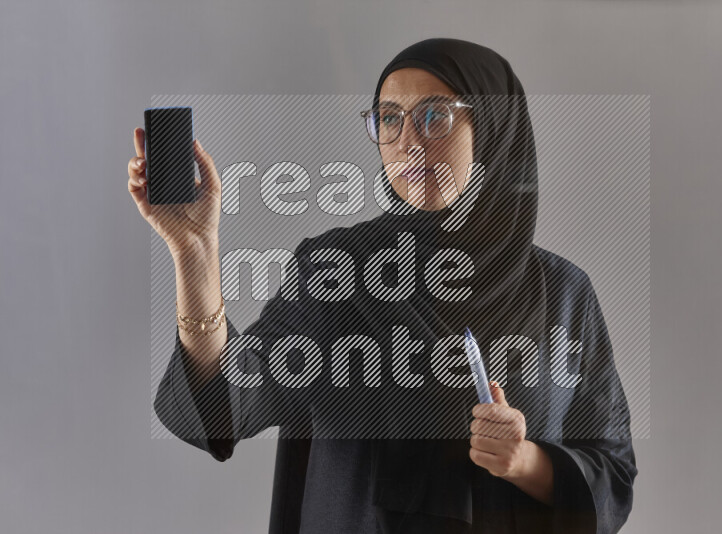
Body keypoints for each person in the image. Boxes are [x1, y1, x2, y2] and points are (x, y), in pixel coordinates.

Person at [130, 38, 638, 534]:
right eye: (389, 119)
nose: (409, 142)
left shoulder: (565, 294)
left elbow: (611, 472)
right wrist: (195, 253)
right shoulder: (337, 271)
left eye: (434, 116)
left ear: (493, 127)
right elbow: (226, 408)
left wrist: (524, 461)